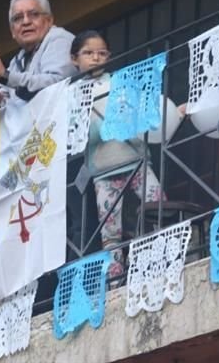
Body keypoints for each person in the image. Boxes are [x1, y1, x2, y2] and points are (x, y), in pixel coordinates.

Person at [70, 31, 173, 279]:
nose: (96, 58)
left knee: (160, 206)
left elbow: (142, 111)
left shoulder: (120, 82)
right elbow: (77, 135)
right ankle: (115, 278)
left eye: (101, 53)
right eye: (88, 53)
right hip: (102, 170)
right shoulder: (72, 95)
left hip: (134, 159)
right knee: (110, 230)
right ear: (74, 59)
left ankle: (170, 255)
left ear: (109, 56)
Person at [0, 0, 77, 118]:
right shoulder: (18, 60)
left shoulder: (59, 38)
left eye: (34, 14)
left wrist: (4, 76)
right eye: (18, 18)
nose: (26, 21)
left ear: (49, 21)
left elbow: (57, 83)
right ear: (12, 31)